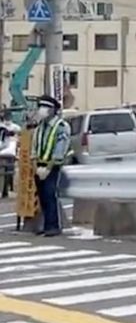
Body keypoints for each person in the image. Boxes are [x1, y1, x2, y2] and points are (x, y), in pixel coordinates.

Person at [30, 96, 69, 236]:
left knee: (49, 194)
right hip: (39, 165)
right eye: (40, 107)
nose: (42, 110)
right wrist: (35, 166)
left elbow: (60, 149)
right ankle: (45, 225)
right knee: (42, 197)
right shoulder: (40, 127)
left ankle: (53, 226)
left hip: (53, 166)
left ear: (53, 110)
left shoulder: (60, 126)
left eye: (45, 107)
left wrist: (48, 168)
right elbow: (34, 147)